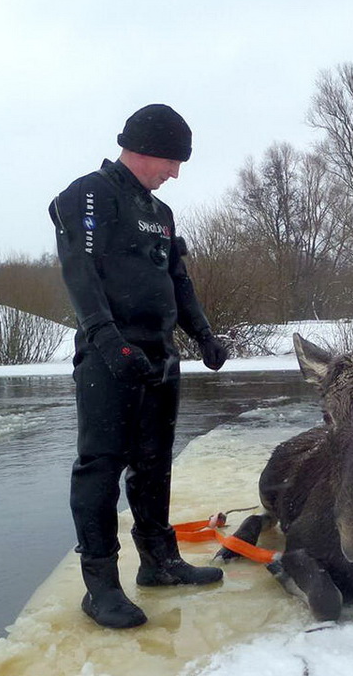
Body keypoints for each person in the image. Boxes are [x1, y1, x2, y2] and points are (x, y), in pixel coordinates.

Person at [49, 104, 230, 628]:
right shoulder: (88, 195)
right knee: (100, 466)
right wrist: (107, 341)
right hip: (110, 357)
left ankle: (159, 561)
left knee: (155, 463)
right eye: (172, 161)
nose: (175, 173)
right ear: (144, 148)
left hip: (159, 356)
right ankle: (100, 585)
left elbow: (178, 280)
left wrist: (203, 335)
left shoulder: (161, 213)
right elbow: (78, 270)